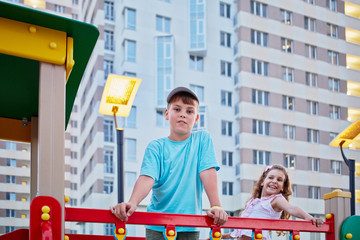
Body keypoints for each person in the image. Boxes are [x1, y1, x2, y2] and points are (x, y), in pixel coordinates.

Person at [111, 86, 228, 240]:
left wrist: (216, 206)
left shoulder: (202, 139)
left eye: (189, 111)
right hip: (157, 224)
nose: (183, 115)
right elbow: (147, 177)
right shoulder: (156, 147)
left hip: (189, 224)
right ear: (167, 114)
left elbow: (207, 172)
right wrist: (132, 203)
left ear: (196, 118)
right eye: (177, 109)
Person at [222, 164, 324, 240]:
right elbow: (242, 229)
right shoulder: (254, 202)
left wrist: (308, 217)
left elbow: (292, 209)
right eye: (271, 177)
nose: (274, 181)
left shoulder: (276, 200)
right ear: (262, 182)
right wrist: (223, 236)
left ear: (282, 187)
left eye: (279, 180)